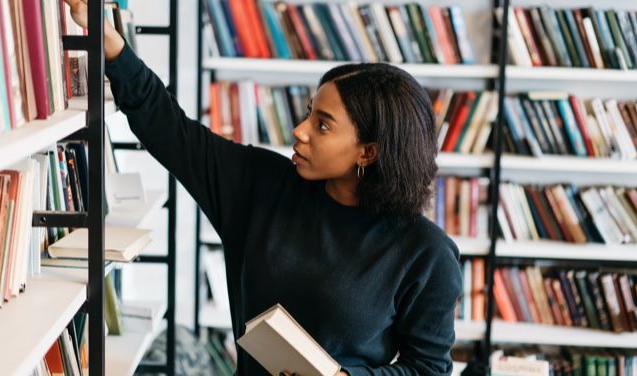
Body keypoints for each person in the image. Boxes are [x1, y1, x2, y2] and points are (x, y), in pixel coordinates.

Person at [64, 1, 462, 375]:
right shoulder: (259, 184)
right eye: (309, 114)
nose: (299, 132)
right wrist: (113, 47)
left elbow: (427, 369)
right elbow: (171, 130)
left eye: (322, 125)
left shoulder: (426, 253)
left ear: (368, 152)